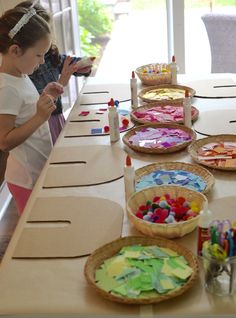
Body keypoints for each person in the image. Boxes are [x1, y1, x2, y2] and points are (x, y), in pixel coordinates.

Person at [0, 4, 63, 214]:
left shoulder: (20, 75)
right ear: (15, 50)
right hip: (25, 178)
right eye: (38, 55)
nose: (43, 61)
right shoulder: (6, 87)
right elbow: (4, 141)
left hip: (36, 169)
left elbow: (24, 110)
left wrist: (44, 96)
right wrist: (39, 116)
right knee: (34, 229)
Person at [16, 1, 93, 144]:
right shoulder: (25, 69)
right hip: (42, 125)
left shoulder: (50, 54)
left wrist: (83, 65)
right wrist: (62, 81)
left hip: (57, 119)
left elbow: (68, 62)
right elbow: (40, 103)